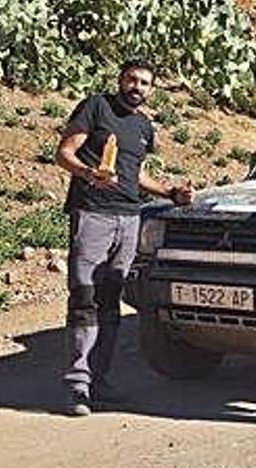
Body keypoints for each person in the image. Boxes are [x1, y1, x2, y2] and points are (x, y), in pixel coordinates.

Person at [56, 57, 193, 417]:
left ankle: (99, 380)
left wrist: (169, 192)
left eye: (145, 83)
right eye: (132, 79)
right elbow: (65, 153)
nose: (137, 87)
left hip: (129, 217)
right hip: (92, 212)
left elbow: (137, 174)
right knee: (84, 295)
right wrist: (89, 173)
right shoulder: (96, 107)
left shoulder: (144, 125)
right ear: (120, 80)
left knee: (110, 297)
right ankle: (77, 385)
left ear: (152, 90)